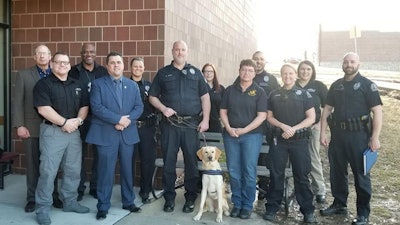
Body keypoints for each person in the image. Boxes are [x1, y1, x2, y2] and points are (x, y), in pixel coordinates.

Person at [320, 52, 383, 225]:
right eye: (346, 62)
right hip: (338, 136)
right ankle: (339, 204)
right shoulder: (336, 85)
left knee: (361, 175)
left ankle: (363, 213)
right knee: (337, 172)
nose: (349, 64)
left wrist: (374, 137)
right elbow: (326, 110)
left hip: (359, 137)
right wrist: (323, 133)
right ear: (342, 64)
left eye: (352, 62)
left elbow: (377, 112)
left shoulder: (367, 85)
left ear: (358, 64)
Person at [148, 40, 211, 213]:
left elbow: (205, 97)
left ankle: (190, 198)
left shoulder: (196, 73)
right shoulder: (163, 73)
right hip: (170, 125)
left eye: (183, 49)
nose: (180, 52)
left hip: (191, 125)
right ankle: (169, 198)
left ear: (187, 52)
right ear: (172, 51)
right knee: (169, 162)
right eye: (177, 49)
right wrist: (163, 108)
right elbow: (152, 96)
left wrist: (205, 120)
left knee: (191, 162)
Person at [33, 52, 90, 225]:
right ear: (52, 64)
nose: (62, 65)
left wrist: (78, 121)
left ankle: (70, 202)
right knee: (48, 171)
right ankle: (42, 208)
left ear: (70, 65)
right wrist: (64, 122)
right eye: (58, 62)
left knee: (73, 170)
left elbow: (84, 106)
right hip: (52, 133)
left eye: (65, 62)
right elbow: (43, 109)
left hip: (73, 132)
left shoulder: (77, 84)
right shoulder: (43, 84)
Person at [86, 51, 144, 220]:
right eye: (112, 63)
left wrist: (126, 121)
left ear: (123, 65)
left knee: (128, 170)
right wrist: (117, 119)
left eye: (119, 62)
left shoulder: (132, 85)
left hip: (127, 134)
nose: (116, 65)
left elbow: (138, 107)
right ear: (107, 66)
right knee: (105, 171)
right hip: (105, 134)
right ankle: (103, 206)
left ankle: (128, 201)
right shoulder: (98, 84)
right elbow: (96, 107)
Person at [263, 63, 317, 223]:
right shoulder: (274, 94)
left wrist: (294, 129)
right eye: (284, 74)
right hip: (279, 140)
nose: (288, 76)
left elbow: (311, 117)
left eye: (291, 73)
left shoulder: (305, 94)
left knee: (301, 176)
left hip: (299, 141)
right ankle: (272, 207)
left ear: (295, 75)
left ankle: (307, 211)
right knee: (276, 175)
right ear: (281, 75)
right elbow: (269, 116)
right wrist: (283, 126)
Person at [12, 44, 62, 213]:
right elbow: (17, 101)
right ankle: (32, 198)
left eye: (45, 54)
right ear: (34, 57)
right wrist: (19, 125)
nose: (42, 56)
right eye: (38, 54)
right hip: (31, 127)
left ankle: (53, 195)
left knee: (52, 164)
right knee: (33, 165)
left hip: (54, 127)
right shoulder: (24, 75)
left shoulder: (57, 73)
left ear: (50, 57)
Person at [220, 59, 268, 219]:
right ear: (239, 70)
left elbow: (262, 116)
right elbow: (223, 111)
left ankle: (247, 206)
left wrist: (244, 130)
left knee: (248, 170)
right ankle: (237, 203)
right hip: (231, 135)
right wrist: (228, 128)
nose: (246, 73)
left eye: (250, 70)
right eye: (244, 70)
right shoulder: (229, 90)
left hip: (251, 136)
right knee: (233, 170)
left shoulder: (259, 92)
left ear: (254, 73)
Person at [69, 43, 108, 201]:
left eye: (91, 52)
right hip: (80, 118)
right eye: (85, 52)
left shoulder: (103, 71)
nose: (88, 54)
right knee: (79, 155)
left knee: (99, 155)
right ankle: (79, 188)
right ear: (81, 54)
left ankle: (95, 187)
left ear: (95, 53)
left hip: (99, 119)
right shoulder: (73, 71)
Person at [296, 60, 328, 203]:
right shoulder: (292, 83)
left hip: (313, 128)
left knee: (313, 157)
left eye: (308, 69)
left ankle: (319, 189)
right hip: (295, 128)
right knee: (293, 158)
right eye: (302, 69)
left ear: (312, 71)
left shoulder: (318, 86)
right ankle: (292, 187)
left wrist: (321, 124)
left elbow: (327, 108)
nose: (305, 72)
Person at [251, 51, 280, 200]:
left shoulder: (271, 79)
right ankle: (251, 185)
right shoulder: (246, 74)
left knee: (264, 156)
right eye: (256, 59)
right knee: (251, 156)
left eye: (261, 59)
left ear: (265, 62)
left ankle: (264, 187)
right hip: (249, 124)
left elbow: (279, 99)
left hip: (266, 124)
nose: (258, 62)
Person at [129, 57, 157, 204]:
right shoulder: (125, 85)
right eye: (135, 66)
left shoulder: (149, 86)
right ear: (131, 68)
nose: (138, 68)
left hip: (147, 128)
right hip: (130, 128)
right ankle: (128, 192)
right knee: (129, 161)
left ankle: (145, 191)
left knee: (148, 161)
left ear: (144, 68)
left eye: (140, 66)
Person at [201, 63, 225, 133]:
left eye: (211, 71)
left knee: (215, 143)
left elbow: (225, 106)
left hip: (216, 123)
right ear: (202, 73)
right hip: (201, 122)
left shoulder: (221, 89)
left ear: (214, 73)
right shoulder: (198, 88)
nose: (209, 74)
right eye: (206, 71)